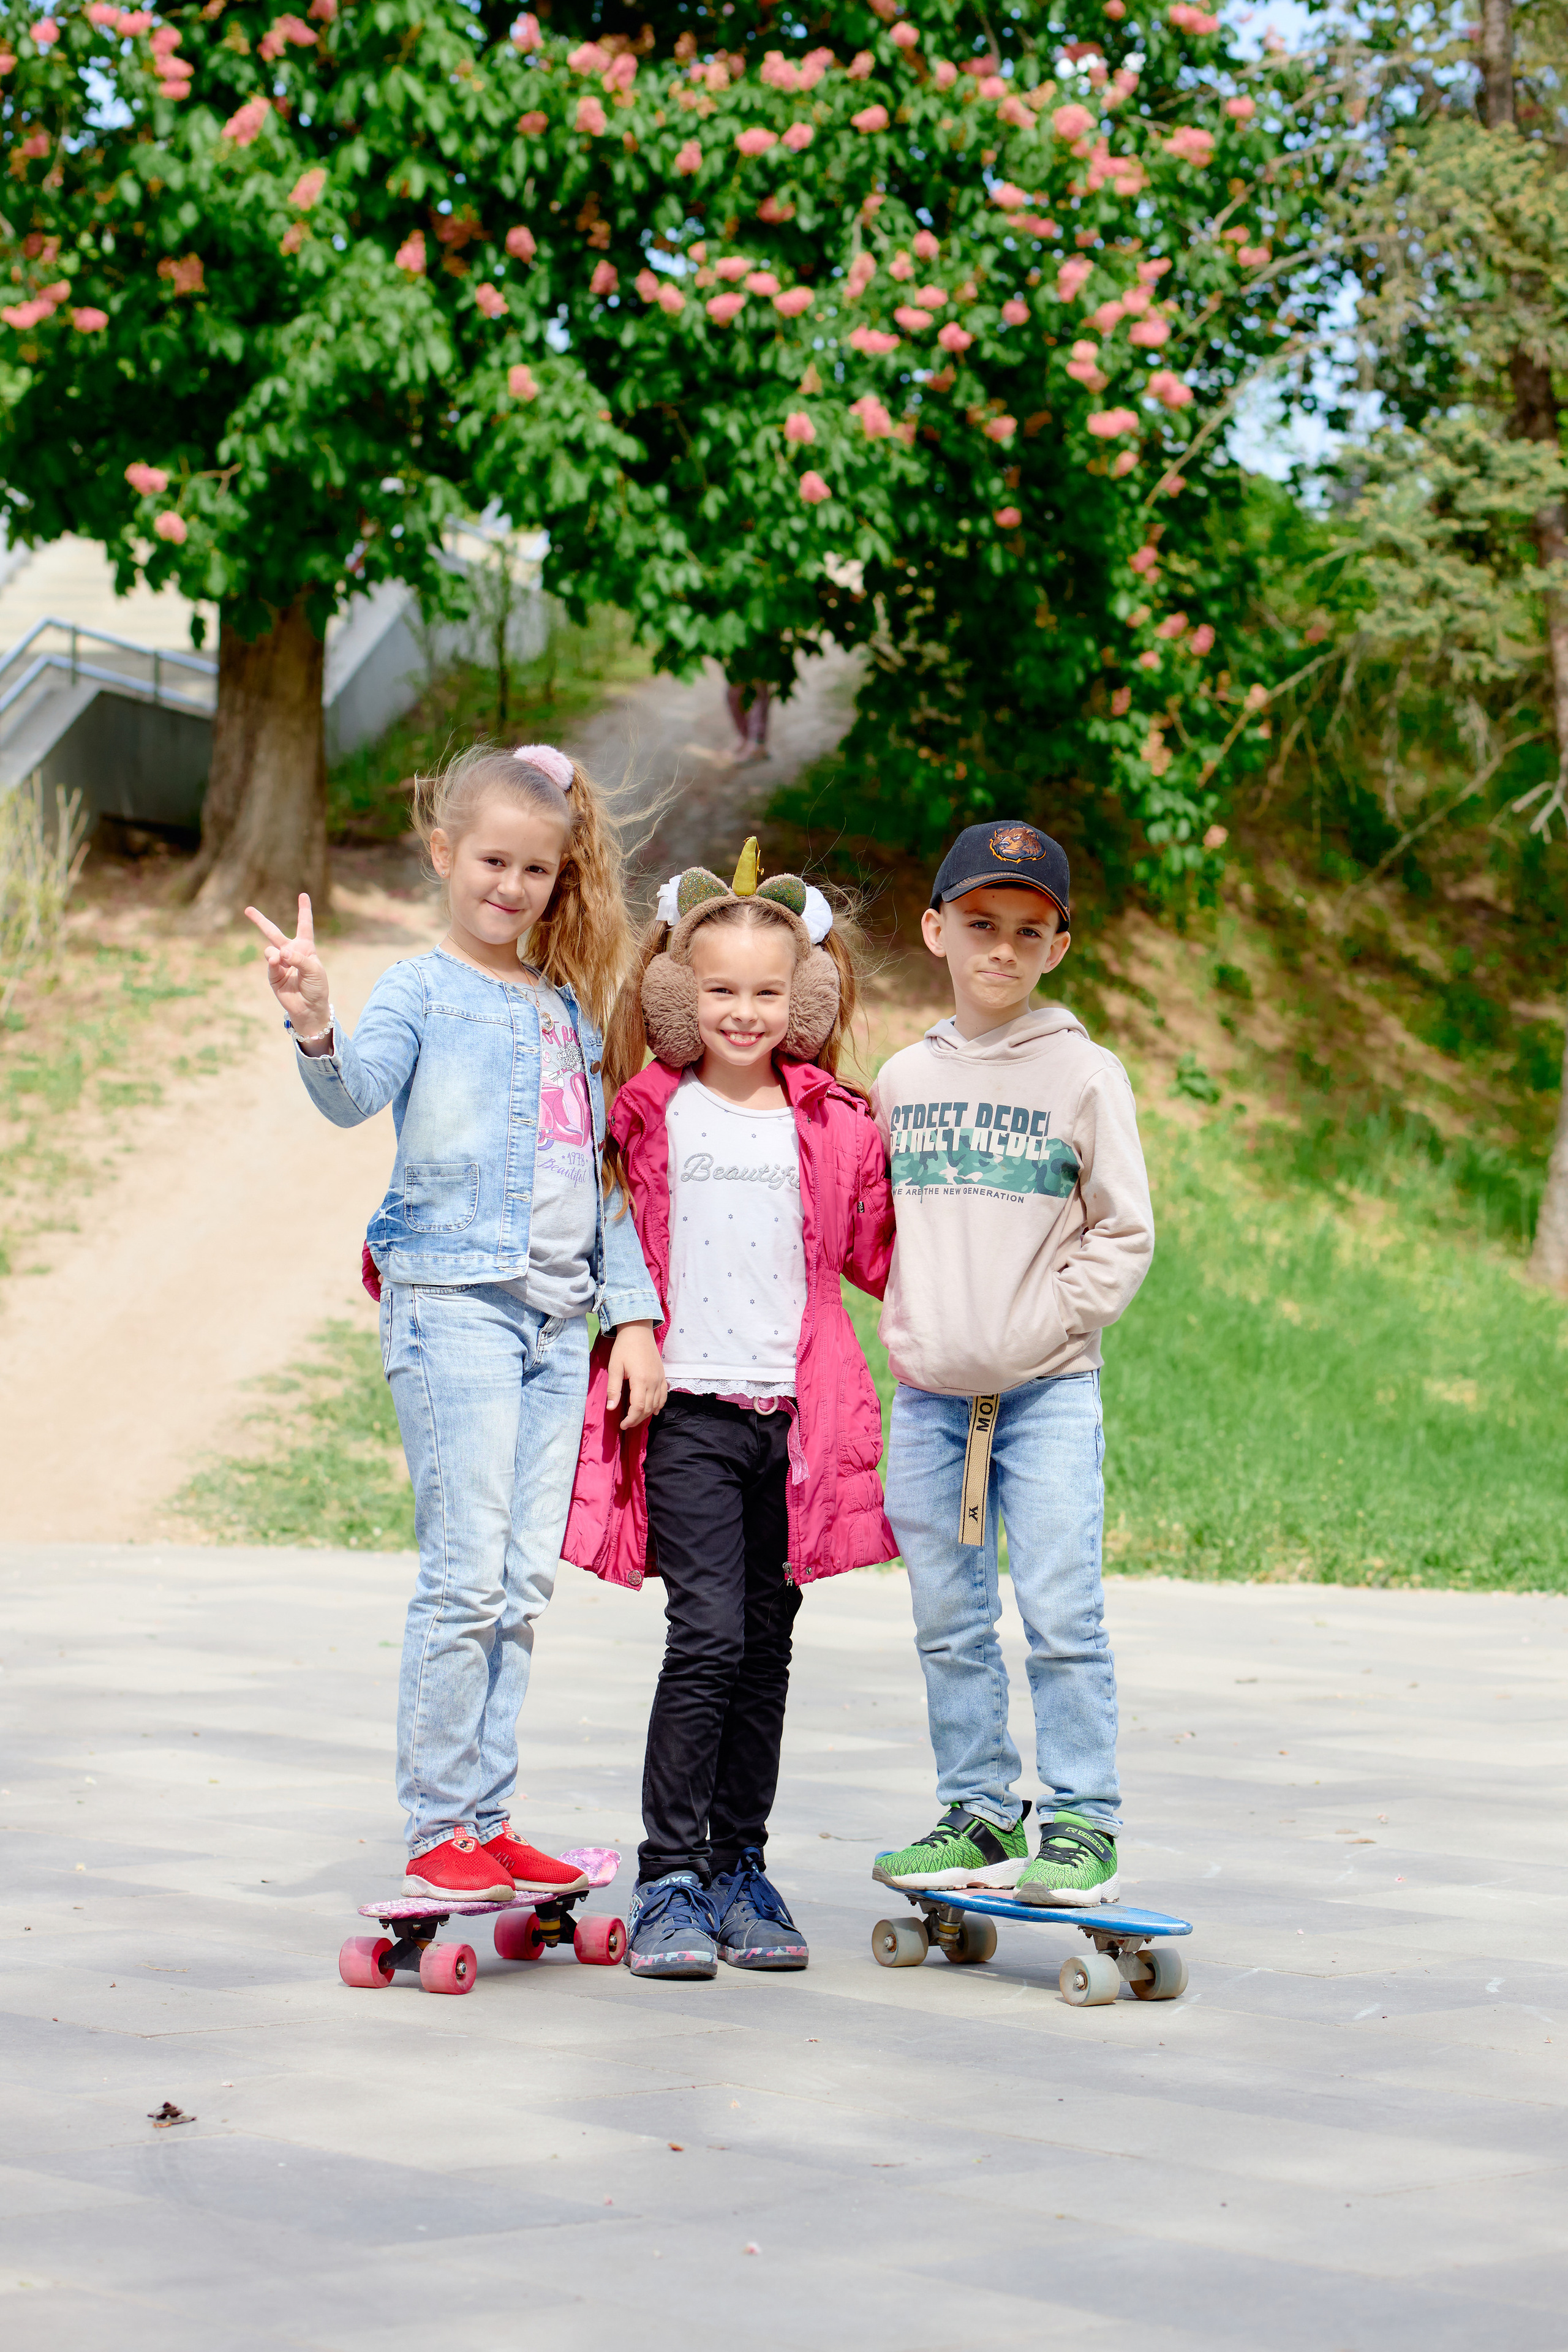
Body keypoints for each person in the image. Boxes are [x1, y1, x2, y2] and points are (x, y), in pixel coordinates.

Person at [244, 744, 665, 1905]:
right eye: (492, 860)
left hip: (551, 1325)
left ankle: (487, 1818)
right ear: (444, 853)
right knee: (465, 1578)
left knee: (521, 1584)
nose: (512, 887)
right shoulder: (420, 993)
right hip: (453, 1312)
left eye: (537, 869)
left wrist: (631, 1319)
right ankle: (440, 1826)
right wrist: (316, 1022)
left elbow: (602, 1174)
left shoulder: (570, 1009)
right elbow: (352, 1098)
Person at [563, 842, 895, 1978]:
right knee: (705, 1637)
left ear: (802, 996)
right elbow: (595, 1233)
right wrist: (628, 1332)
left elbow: (883, 1250)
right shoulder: (649, 1117)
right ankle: (668, 1881)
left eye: (767, 992)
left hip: (795, 1421)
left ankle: (741, 1866)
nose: (743, 1013)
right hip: (693, 1412)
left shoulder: (835, 1122)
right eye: (719, 991)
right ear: (675, 995)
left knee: (768, 1645)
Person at [868, 821, 1155, 1905]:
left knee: (1061, 1612)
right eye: (980, 925)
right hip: (931, 1402)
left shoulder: (1086, 1074)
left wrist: (1048, 1329)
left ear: (1058, 948)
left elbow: (1123, 1231)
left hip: (1045, 1399)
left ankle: (1083, 1823)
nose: (1002, 949)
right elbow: (880, 1227)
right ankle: (980, 1814)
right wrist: (924, 1322)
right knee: (948, 1618)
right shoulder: (902, 1079)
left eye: (1029, 932)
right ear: (937, 929)